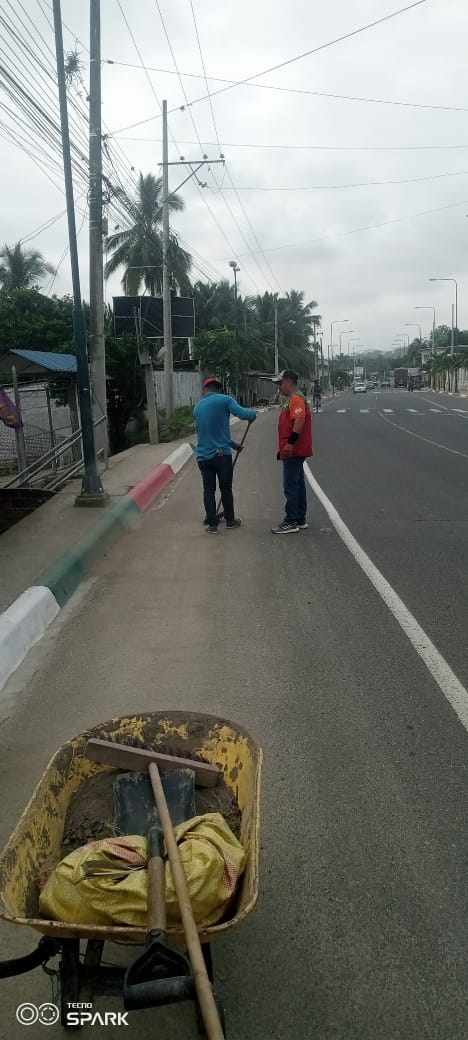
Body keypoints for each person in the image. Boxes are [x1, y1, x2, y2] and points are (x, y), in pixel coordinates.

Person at [193, 378, 256, 533]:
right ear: (218, 389)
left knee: (208, 490)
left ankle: (212, 525)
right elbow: (243, 414)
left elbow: (209, 434)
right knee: (226, 488)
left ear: (204, 389)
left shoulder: (197, 407)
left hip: (203, 457)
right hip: (222, 456)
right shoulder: (225, 400)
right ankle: (230, 520)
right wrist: (253, 414)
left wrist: (234, 445)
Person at [271, 369, 312, 534]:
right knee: (298, 484)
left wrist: (290, 444)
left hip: (293, 450)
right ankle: (300, 518)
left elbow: (299, 420)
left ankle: (290, 521)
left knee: (291, 486)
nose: (279, 387)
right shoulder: (292, 399)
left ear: (288, 381)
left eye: (280, 383)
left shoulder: (296, 398)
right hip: (293, 450)